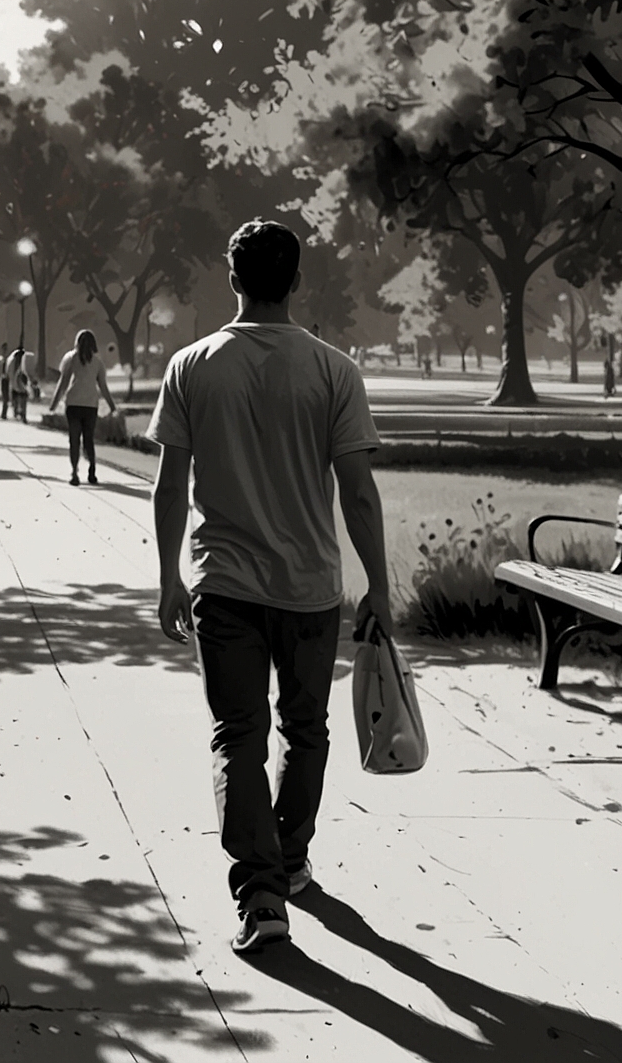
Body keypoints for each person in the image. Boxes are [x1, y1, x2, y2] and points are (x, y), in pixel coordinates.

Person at [148, 218, 389, 956]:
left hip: (223, 585)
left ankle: (262, 893)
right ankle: (287, 859)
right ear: (295, 281)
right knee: (306, 730)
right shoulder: (333, 370)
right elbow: (358, 491)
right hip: (312, 589)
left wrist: (167, 579)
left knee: (238, 736)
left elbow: (169, 483)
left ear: (234, 279)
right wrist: (380, 584)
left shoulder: (193, 365)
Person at [47, 329, 119, 486]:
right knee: (88, 440)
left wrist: (53, 404)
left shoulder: (70, 358)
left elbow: (63, 383)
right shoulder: (98, 363)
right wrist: (112, 406)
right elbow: (103, 387)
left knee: (74, 440)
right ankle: (92, 470)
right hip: (90, 406)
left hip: (73, 405)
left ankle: (74, 473)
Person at [5, 343, 31, 423]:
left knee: (18, 399)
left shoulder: (13, 360)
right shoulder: (14, 360)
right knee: (20, 399)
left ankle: (20, 414)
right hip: (16, 384)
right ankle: (21, 414)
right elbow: (15, 373)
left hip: (16, 384)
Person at [0, 341, 12, 420]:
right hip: (4, 378)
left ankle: (4, 413)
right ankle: (3, 413)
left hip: (6, 379)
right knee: (5, 397)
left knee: (6, 397)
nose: (5, 350)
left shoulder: (7, 358)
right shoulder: (2, 358)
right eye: (4, 349)